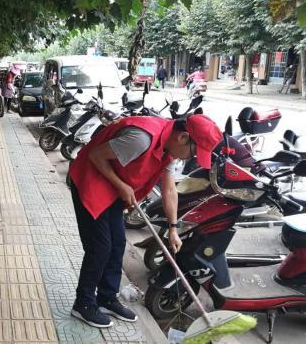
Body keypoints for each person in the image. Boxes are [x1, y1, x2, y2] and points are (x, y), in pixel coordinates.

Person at [68, 114, 221, 328]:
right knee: (100, 248)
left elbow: (169, 190)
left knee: (118, 244)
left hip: (112, 185)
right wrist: (122, 186)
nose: (188, 159)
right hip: (90, 178)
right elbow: (95, 155)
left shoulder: (169, 150)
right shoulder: (142, 139)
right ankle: (83, 303)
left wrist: (173, 228)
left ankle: (106, 298)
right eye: (194, 153)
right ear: (183, 137)